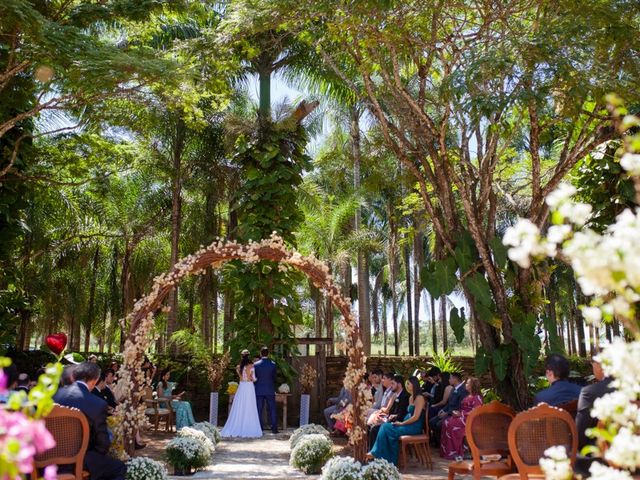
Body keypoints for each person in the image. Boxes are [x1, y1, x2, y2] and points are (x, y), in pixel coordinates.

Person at [53, 362, 126, 480]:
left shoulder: (52, 396)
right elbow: (103, 444)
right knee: (119, 468)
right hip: (79, 460)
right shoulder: (97, 403)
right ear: (95, 380)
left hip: (45, 458)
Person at [368, 376, 426, 465]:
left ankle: (379, 454)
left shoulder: (419, 398)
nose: (406, 386)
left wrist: (402, 423)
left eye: (408, 384)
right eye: (406, 384)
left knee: (386, 428)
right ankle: (381, 457)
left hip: (414, 426)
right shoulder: (411, 398)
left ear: (414, 385)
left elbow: (416, 417)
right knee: (385, 426)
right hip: (406, 423)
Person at [221, 349, 263, 438]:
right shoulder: (251, 366)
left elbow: (241, 377)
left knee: (240, 405)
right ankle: (249, 426)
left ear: (241, 356)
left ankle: (238, 425)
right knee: (250, 406)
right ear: (249, 356)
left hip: (242, 387)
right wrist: (257, 379)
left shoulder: (238, 367)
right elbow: (254, 378)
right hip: (249, 387)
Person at [576, 356, 614, 449]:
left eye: (592, 363)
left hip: (602, 455)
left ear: (600, 366)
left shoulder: (590, 393)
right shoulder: (633, 388)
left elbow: (580, 437)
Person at [440, 377, 483, 459]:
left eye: (467, 383)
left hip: (470, 419)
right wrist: (457, 413)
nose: (465, 384)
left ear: (472, 386)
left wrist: (461, 414)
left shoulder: (477, 397)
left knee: (450, 424)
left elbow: (476, 411)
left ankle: (458, 451)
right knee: (446, 422)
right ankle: (450, 451)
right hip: (463, 416)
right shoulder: (468, 395)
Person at [368, 374, 409, 449]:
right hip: (391, 419)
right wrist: (384, 418)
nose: (391, 386)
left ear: (399, 384)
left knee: (375, 429)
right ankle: (371, 450)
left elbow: (402, 413)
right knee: (370, 425)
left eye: (393, 383)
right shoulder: (395, 395)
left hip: (398, 422)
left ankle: (375, 453)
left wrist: (389, 419)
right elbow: (391, 411)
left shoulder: (405, 396)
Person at [429, 372, 468, 446]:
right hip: (447, 411)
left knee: (439, 424)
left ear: (455, 379)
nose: (449, 380)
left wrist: (447, 413)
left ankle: (445, 444)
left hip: (454, 414)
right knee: (432, 422)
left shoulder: (463, 390)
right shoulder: (453, 389)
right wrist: (442, 410)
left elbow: (460, 406)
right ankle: (439, 443)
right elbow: (449, 403)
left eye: (450, 378)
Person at [254, 346, 278, 434]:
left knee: (259, 409)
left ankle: (259, 428)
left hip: (259, 389)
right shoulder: (273, 364)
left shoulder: (256, 365)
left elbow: (255, 378)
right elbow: (275, 378)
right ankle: (274, 428)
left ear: (261, 353)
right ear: (268, 354)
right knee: (272, 409)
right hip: (270, 389)